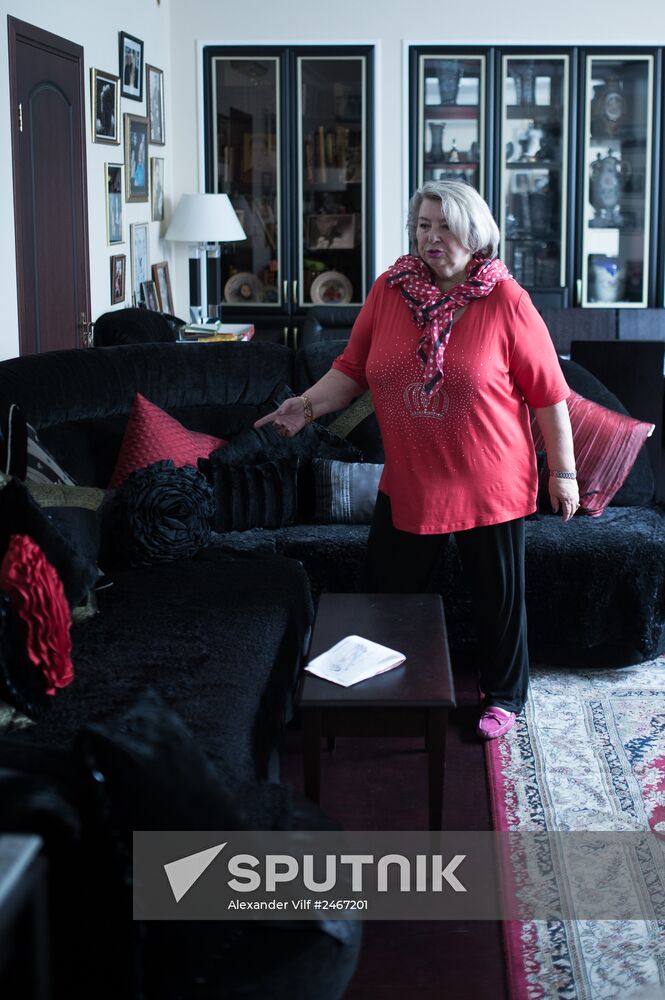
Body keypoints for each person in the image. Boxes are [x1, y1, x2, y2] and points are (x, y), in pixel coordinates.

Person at [256, 179, 578, 740]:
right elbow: (352, 371)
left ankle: (503, 696)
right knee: (386, 598)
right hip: (411, 478)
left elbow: (549, 394)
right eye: (423, 225)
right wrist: (304, 408)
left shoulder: (506, 300)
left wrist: (564, 473)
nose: (431, 237)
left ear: (474, 233)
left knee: (499, 601)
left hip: (490, 480)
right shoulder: (389, 291)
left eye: (445, 226)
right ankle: (392, 692)